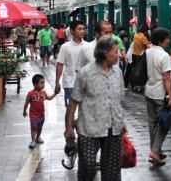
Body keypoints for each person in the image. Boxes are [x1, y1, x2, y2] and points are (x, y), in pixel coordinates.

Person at [65, 36, 126, 180]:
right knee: (88, 167)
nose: (118, 55)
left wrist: (122, 121)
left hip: (113, 128)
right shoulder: (85, 73)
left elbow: (117, 100)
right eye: (116, 52)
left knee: (112, 171)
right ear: (105, 53)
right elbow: (74, 101)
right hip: (89, 128)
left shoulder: (117, 72)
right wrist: (69, 127)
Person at [144, 28, 171, 166]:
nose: (169, 40)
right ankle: (155, 151)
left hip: (149, 91)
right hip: (160, 94)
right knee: (164, 124)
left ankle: (155, 150)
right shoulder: (164, 56)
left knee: (152, 122)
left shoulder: (148, 51)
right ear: (161, 40)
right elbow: (166, 77)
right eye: (167, 38)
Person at [55, 21, 88, 107]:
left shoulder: (88, 46)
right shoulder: (65, 47)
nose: (82, 31)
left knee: (84, 110)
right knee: (70, 110)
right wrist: (57, 82)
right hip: (69, 83)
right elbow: (60, 64)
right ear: (72, 31)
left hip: (85, 84)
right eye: (79, 29)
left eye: (83, 29)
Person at [23, 74, 58, 148]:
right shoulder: (30, 94)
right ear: (35, 84)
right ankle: (33, 140)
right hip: (33, 115)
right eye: (41, 83)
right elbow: (26, 103)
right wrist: (24, 111)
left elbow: (49, 98)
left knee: (40, 127)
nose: (43, 85)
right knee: (34, 127)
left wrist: (55, 93)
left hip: (41, 114)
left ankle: (38, 137)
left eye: (44, 83)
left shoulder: (43, 92)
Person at [129, 24, 150, 91]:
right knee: (140, 71)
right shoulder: (143, 37)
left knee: (135, 70)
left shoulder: (136, 36)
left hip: (134, 55)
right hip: (141, 57)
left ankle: (133, 84)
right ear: (145, 31)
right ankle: (139, 86)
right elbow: (148, 46)